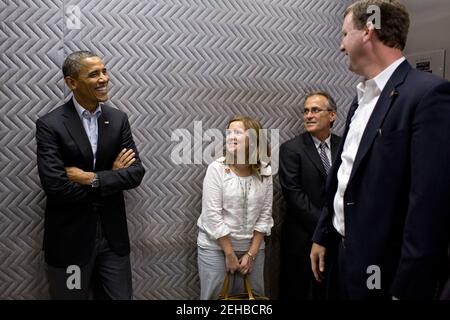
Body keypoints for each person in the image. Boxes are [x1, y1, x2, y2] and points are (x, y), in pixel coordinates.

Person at [310, 0, 450, 300]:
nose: (340, 46)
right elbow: (344, 177)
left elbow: (429, 205)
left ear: (368, 31)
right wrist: (323, 235)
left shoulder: (427, 95)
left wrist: (408, 289)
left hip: (383, 272)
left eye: (344, 34)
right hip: (341, 257)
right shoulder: (360, 98)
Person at [35, 51, 145, 299]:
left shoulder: (118, 120)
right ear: (71, 82)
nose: (104, 78)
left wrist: (90, 178)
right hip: (70, 242)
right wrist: (112, 178)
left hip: (113, 241)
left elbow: (136, 173)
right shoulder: (50, 125)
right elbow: (56, 186)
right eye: (94, 74)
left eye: (104, 71)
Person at [197, 116, 273, 300]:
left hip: (252, 249)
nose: (231, 136)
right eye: (229, 132)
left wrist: (252, 253)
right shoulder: (217, 168)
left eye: (237, 133)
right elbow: (212, 216)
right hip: (215, 248)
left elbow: (265, 215)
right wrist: (229, 253)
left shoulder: (265, 172)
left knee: (250, 299)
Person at [279, 91, 341, 300]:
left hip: (338, 238)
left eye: (315, 110)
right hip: (302, 239)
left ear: (332, 115)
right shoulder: (291, 149)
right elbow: (295, 197)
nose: (308, 115)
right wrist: (326, 228)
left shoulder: (345, 147)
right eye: (306, 111)